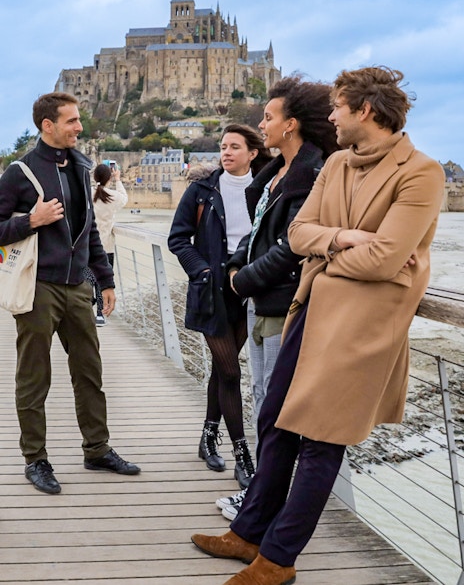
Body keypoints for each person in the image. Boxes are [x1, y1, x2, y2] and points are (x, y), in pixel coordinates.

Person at [190, 66, 445, 585]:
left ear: (366, 111)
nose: (329, 116)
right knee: (277, 421)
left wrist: (328, 255)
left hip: (363, 327)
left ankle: (278, 559)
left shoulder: (421, 172)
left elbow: (385, 258)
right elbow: (300, 232)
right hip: (311, 311)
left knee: (322, 441)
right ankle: (249, 532)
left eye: (338, 107)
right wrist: (342, 241)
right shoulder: (337, 166)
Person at [0, 92, 140, 495]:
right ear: (48, 125)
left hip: (78, 286)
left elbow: (90, 231)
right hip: (37, 287)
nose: (80, 127)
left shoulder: (81, 166)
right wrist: (31, 220)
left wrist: (105, 279)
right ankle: (36, 460)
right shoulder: (20, 172)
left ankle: (97, 449)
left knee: (89, 372)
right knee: (34, 377)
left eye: (79, 120)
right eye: (72, 121)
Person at [216, 76, 339, 521]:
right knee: (262, 395)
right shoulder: (277, 173)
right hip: (260, 300)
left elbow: (293, 244)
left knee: (275, 404)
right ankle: (263, 499)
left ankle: (264, 502)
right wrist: (234, 265)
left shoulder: (313, 172)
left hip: (284, 300)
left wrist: (242, 280)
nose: (261, 124)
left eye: (268, 117)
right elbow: (260, 233)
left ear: (290, 125)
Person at [168, 124, 273, 489]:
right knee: (230, 371)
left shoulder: (267, 188)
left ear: (252, 152)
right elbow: (178, 238)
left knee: (222, 368)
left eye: (234, 147)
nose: (226, 153)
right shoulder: (201, 189)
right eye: (223, 147)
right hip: (212, 289)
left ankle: (209, 435)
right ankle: (243, 454)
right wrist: (203, 270)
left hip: (250, 289)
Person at [91, 162, 128, 326]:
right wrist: (118, 179)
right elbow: (124, 198)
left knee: (87, 279)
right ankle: (100, 314)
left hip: (87, 246)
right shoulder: (113, 196)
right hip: (106, 246)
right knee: (102, 281)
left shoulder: (88, 194)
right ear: (109, 178)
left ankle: (86, 305)